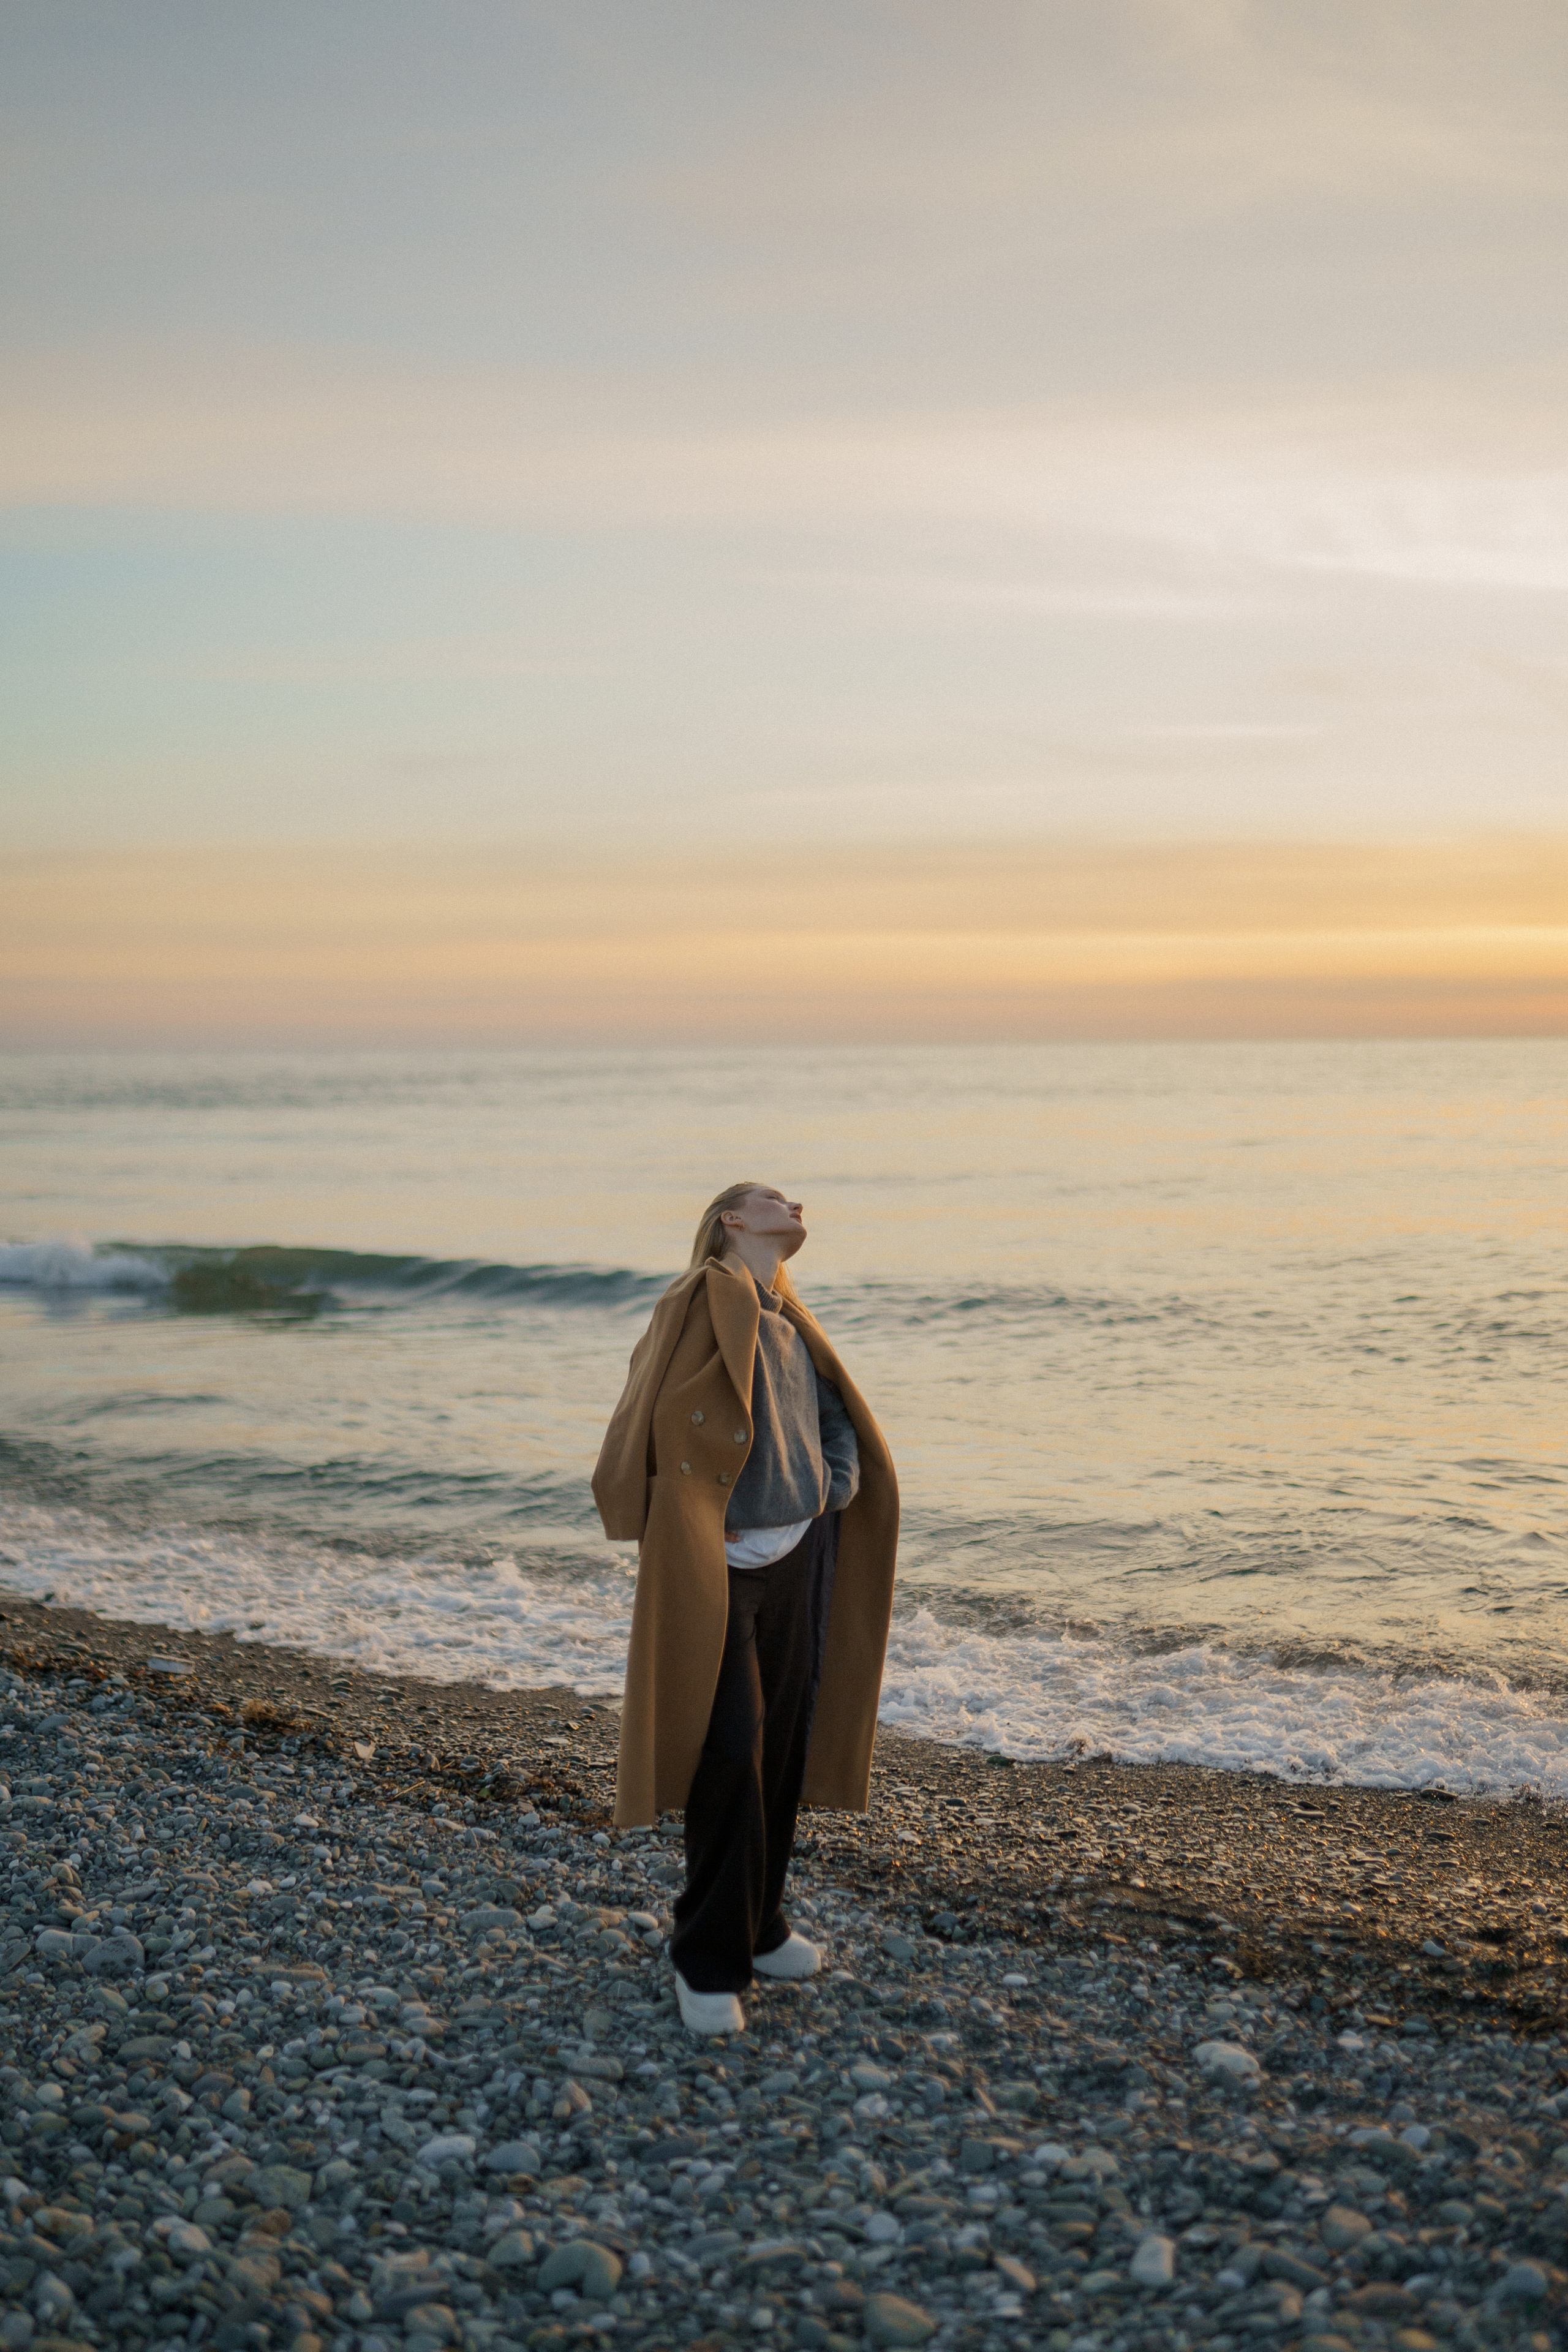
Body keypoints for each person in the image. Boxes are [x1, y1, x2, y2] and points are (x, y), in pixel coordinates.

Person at [593, 1181, 899, 2035]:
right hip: (720, 1559)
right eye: (771, 1195)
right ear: (732, 1219)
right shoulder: (698, 1298)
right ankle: (706, 1957)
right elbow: (647, 1402)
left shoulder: (792, 1321)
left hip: (800, 1553)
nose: (793, 1200)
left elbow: (837, 1421)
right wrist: (680, 1510)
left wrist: (830, 1486)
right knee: (730, 1751)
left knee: (783, 1746)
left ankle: (761, 1927)